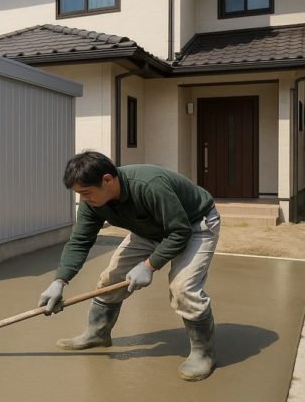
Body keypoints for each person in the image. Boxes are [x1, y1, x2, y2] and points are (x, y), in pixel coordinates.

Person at [38, 150, 220, 381]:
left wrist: (149, 265)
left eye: (86, 192)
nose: (83, 199)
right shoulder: (93, 202)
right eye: (79, 194)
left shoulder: (149, 185)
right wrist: (59, 281)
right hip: (149, 229)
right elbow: (80, 241)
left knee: (183, 289)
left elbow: (179, 231)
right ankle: (97, 334)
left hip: (195, 225)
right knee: (110, 280)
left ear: (107, 179)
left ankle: (203, 354)